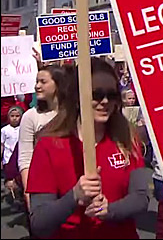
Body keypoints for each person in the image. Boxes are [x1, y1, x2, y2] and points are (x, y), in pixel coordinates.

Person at [26, 58, 150, 238]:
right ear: (77, 98)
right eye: (97, 94)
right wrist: (74, 196)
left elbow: (141, 198)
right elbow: (39, 222)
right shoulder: (49, 146)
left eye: (112, 94)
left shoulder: (127, 139)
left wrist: (110, 210)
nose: (105, 101)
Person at [18, 64, 71, 209]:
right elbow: (25, 158)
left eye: (43, 82)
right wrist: (29, 192)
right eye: (36, 81)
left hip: (71, 184)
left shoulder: (73, 114)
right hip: (42, 187)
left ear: (58, 84)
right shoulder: (31, 116)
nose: (37, 86)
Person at [2, 106, 23, 199]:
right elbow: (2, 145)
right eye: (12, 116)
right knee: (10, 179)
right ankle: (13, 195)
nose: (15, 118)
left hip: (19, 158)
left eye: (17, 116)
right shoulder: (4, 130)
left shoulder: (23, 128)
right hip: (8, 158)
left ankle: (20, 194)